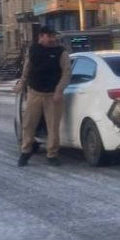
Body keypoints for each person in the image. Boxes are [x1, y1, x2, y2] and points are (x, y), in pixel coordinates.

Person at [16, 26, 71, 167]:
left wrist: (59, 90)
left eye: (54, 36)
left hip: (53, 95)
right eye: (49, 36)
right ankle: (25, 152)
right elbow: (27, 69)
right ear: (41, 37)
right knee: (28, 125)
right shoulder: (33, 50)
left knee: (53, 126)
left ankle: (52, 154)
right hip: (34, 93)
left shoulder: (61, 52)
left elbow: (66, 73)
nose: (53, 39)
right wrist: (22, 84)